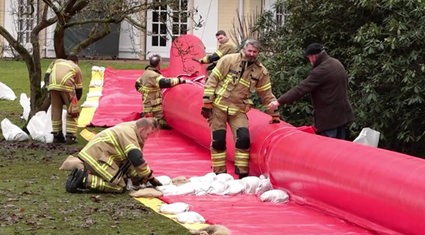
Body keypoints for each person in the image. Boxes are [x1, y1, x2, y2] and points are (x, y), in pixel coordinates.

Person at [201, 39, 280, 178]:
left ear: (258, 53)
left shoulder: (261, 72)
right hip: (219, 106)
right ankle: (219, 174)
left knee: (243, 139)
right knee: (218, 140)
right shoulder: (229, 60)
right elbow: (212, 80)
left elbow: (266, 94)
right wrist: (207, 102)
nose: (251, 54)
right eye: (249, 50)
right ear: (244, 49)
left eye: (254, 52)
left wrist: (274, 114)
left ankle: (242, 174)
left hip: (238, 109)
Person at [267, 43, 354, 139]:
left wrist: (279, 101)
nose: (309, 60)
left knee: (328, 147)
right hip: (342, 115)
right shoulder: (336, 63)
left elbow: (301, 89)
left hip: (329, 119)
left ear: (313, 57)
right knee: (340, 146)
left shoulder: (321, 70)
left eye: (309, 58)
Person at [65, 117, 163, 193]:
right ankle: (85, 179)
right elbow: (136, 159)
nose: (147, 138)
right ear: (142, 130)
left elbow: (130, 162)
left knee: (122, 178)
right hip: (97, 156)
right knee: (119, 186)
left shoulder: (131, 127)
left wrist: (138, 178)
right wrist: (150, 177)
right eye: (148, 134)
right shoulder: (130, 135)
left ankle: (84, 175)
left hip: (97, 153)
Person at [135, 54, 188, 129]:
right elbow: (164, 82)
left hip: (148, 105)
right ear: (159, 63)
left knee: (152, 121)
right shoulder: (153, 75)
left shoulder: (146, 73)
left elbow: (137, 85)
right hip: (153, 107)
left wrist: (145, 92)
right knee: (158, 124)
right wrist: (179, 80)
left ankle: (147, 118)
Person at [45, 55, 83, 144]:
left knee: (56, 109)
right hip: (66, 85)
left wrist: (48, 88)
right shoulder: (76, 67)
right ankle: (71, 136)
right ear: (76, 61)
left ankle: (57, 136)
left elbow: (47, 75)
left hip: (52, 85)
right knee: (72, 110)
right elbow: (79, 89)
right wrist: (74, 103)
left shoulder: (56, 61)